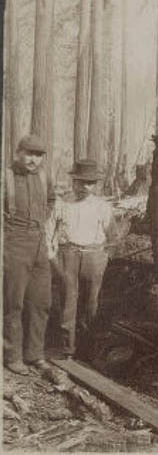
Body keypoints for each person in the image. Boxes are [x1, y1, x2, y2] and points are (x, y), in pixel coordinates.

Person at [51, 160, 114, 360]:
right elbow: (49, 229)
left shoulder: (103, 206)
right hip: (68, 255)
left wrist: (104, 258)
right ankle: (67, 349)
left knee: (91, 303)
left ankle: (87, 350)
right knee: (68, 302)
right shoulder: (62, 203)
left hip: (94, 256)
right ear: (74, 181)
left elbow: (113, 236)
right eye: (81, 182)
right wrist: (52, 255)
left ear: (95, 184)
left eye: (90, 183)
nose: (85, 186)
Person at [3, 135, 55, 376]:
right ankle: (12, 356)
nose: (33, 159)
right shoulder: (7, 177)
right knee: (14, 302)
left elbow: (51, 201)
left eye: (38, 155)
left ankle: (34, 354)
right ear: (18, 153)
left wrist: (41, 225)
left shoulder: (45, 177)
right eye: (29, 154)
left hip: (40, 242)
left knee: (41, 301)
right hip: (14, 242)